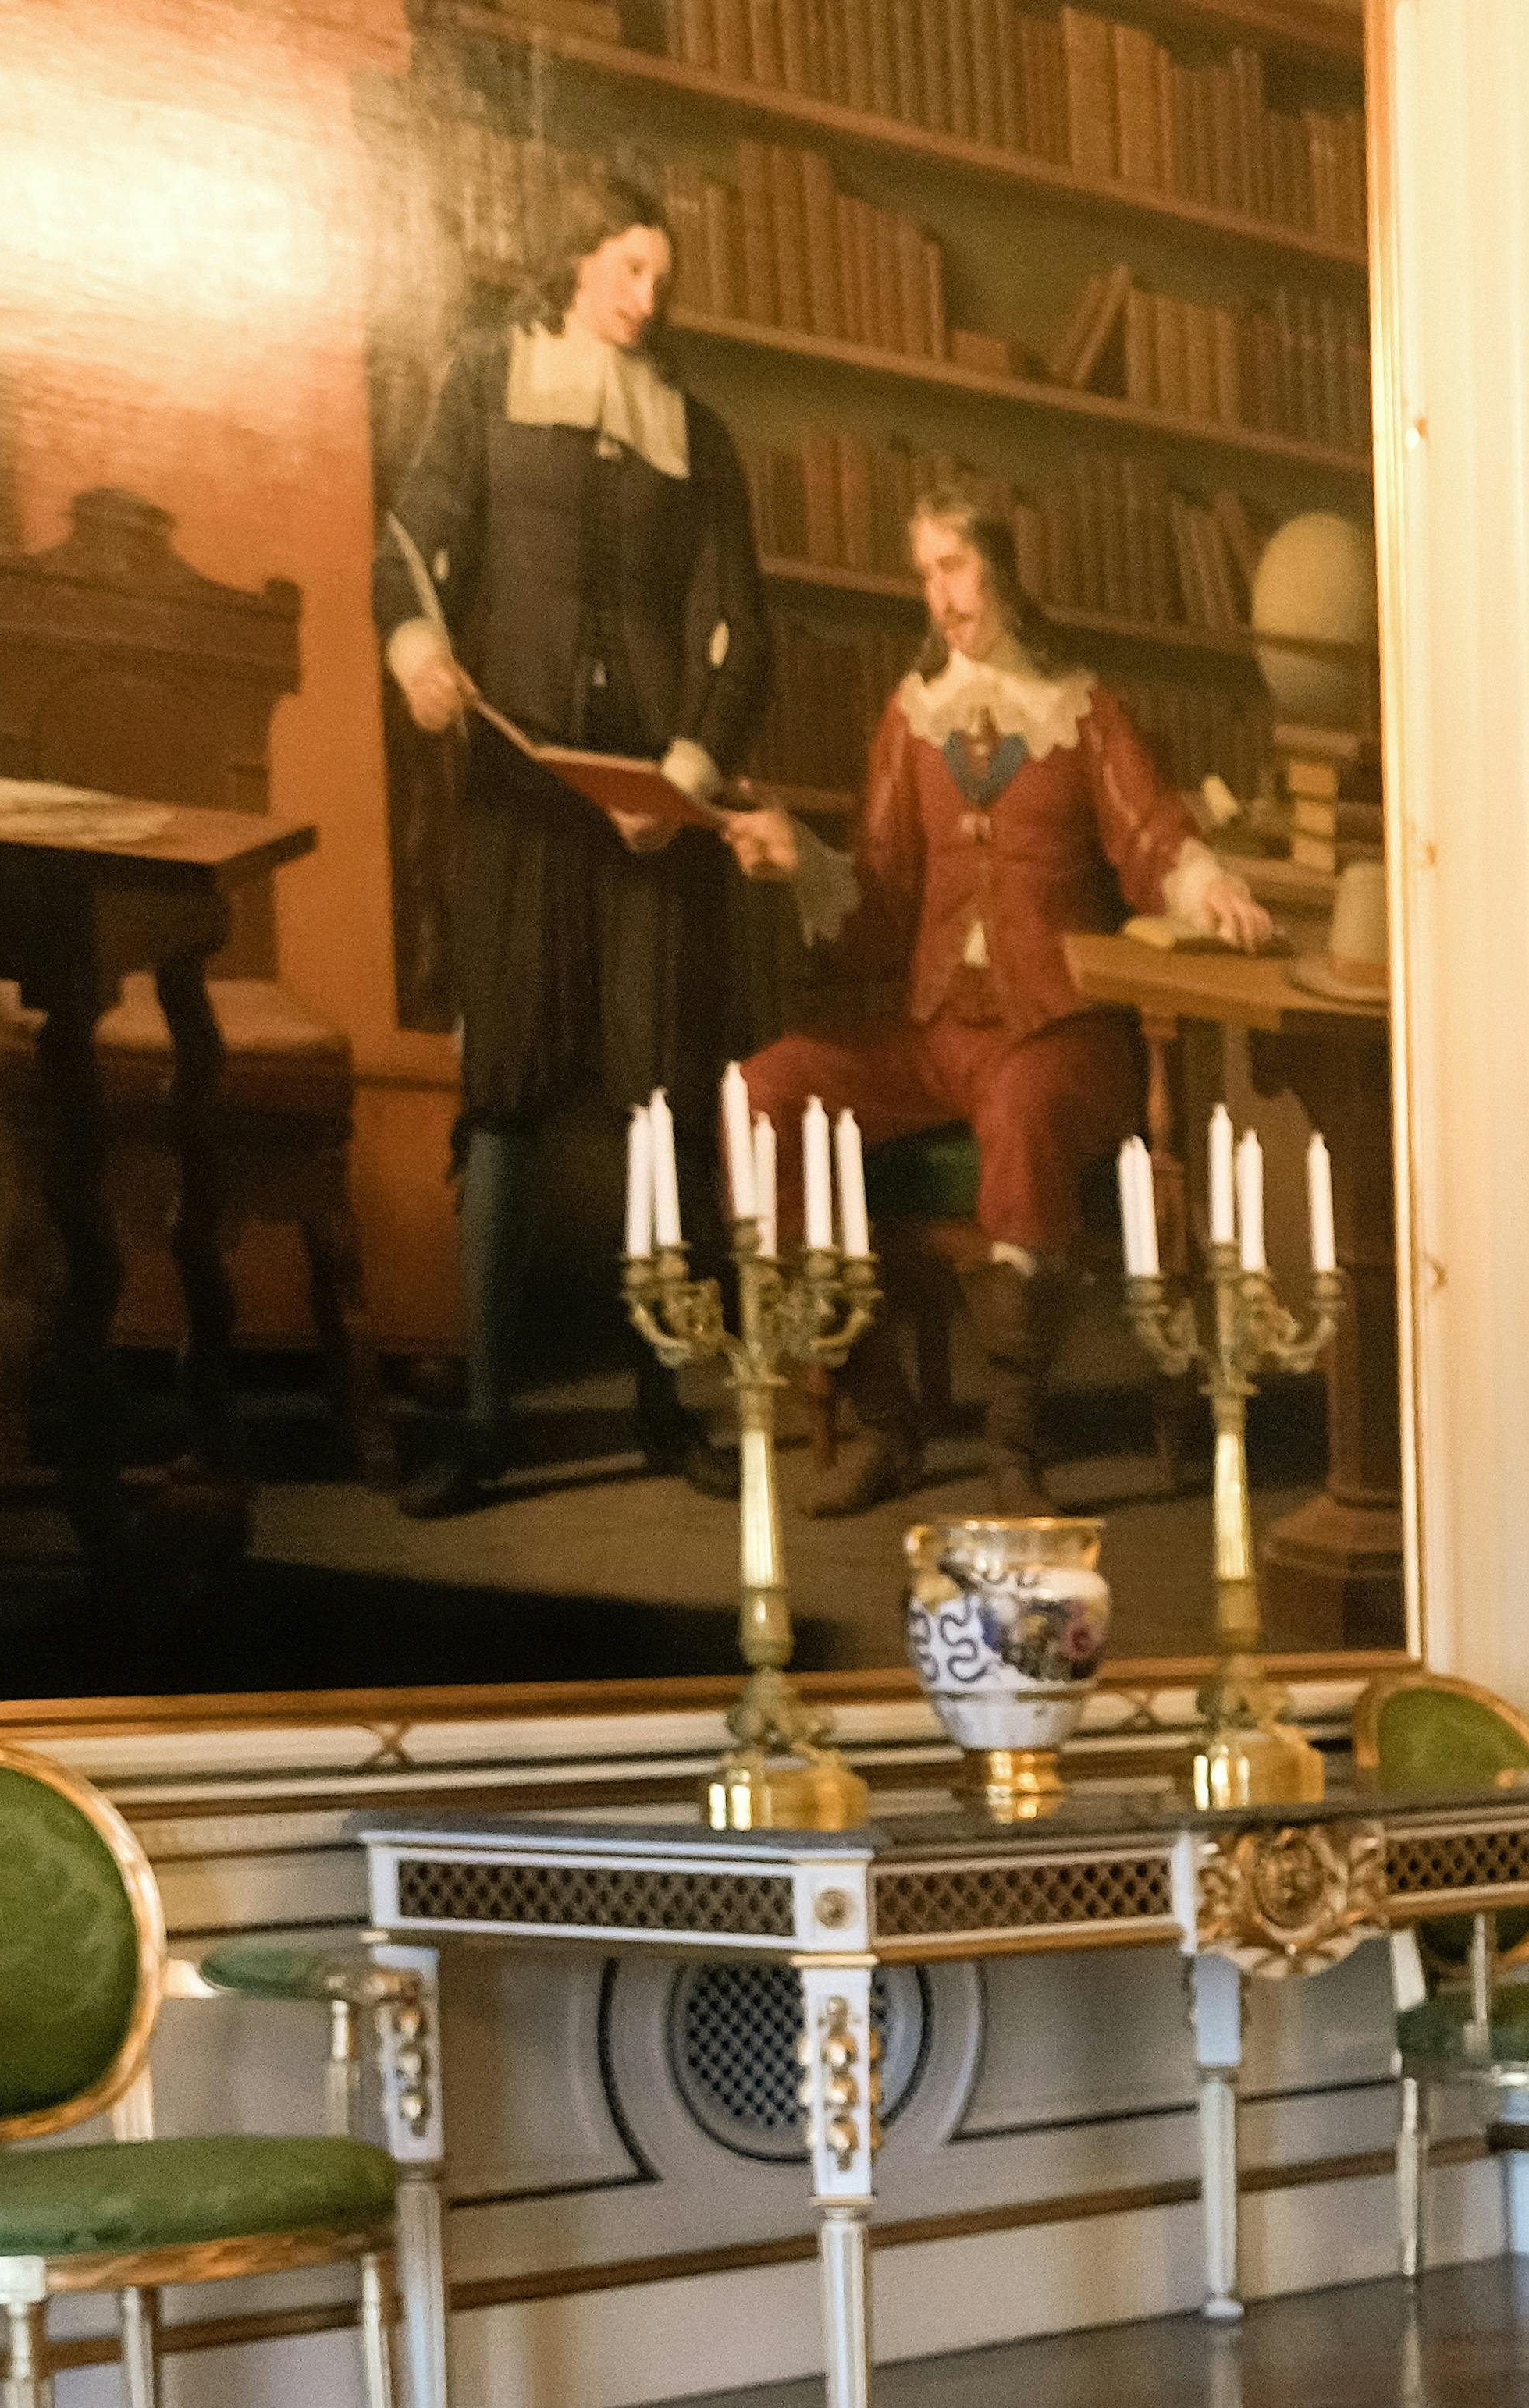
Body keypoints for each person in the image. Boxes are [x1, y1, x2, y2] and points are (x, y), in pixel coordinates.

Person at [729, 479, 1274, 1511]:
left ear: (1004, 569)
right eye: (924, 573)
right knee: (762, 1095)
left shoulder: (1084, 709)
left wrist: (1211, 889)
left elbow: (1152, 836)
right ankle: (887, 1420)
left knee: (1023, 1116)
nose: (940, 595)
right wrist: (798, 858)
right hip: (936, 1031)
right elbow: (881, 895)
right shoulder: (912, 716)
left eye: (956, 566)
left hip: (1060, 1034)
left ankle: (1016, 1445)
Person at [376, 164, 769, 1518]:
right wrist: (418, 647)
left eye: (661, 277)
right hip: (521, 789)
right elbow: (414, 541)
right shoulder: (487, 379)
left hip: (649, 813)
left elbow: (741, 629)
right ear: (574, 262)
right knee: (507, 1097)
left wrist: (687, 773)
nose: (648, 299)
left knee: (659, 1096)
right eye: (626, 271)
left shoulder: (696, 431)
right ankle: (487, 1422)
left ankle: (667, 1407)